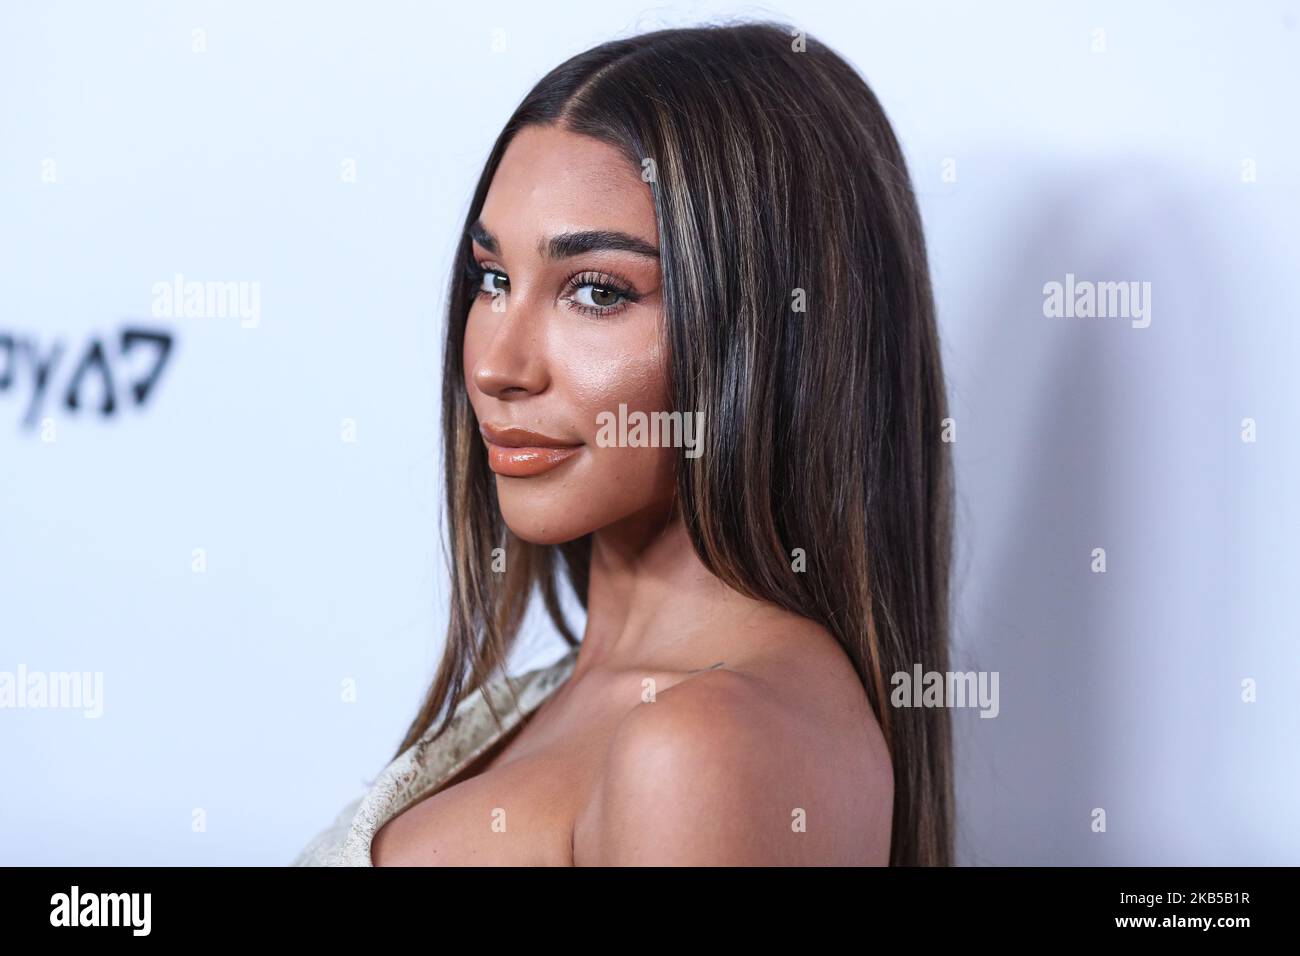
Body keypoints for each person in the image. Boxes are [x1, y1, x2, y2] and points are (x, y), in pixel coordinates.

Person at [294, 19, 954, 867]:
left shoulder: (704, 748)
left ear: (775, 333)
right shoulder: (567, 701)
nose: (496, 365)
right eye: (493, 279)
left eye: (597, 292)